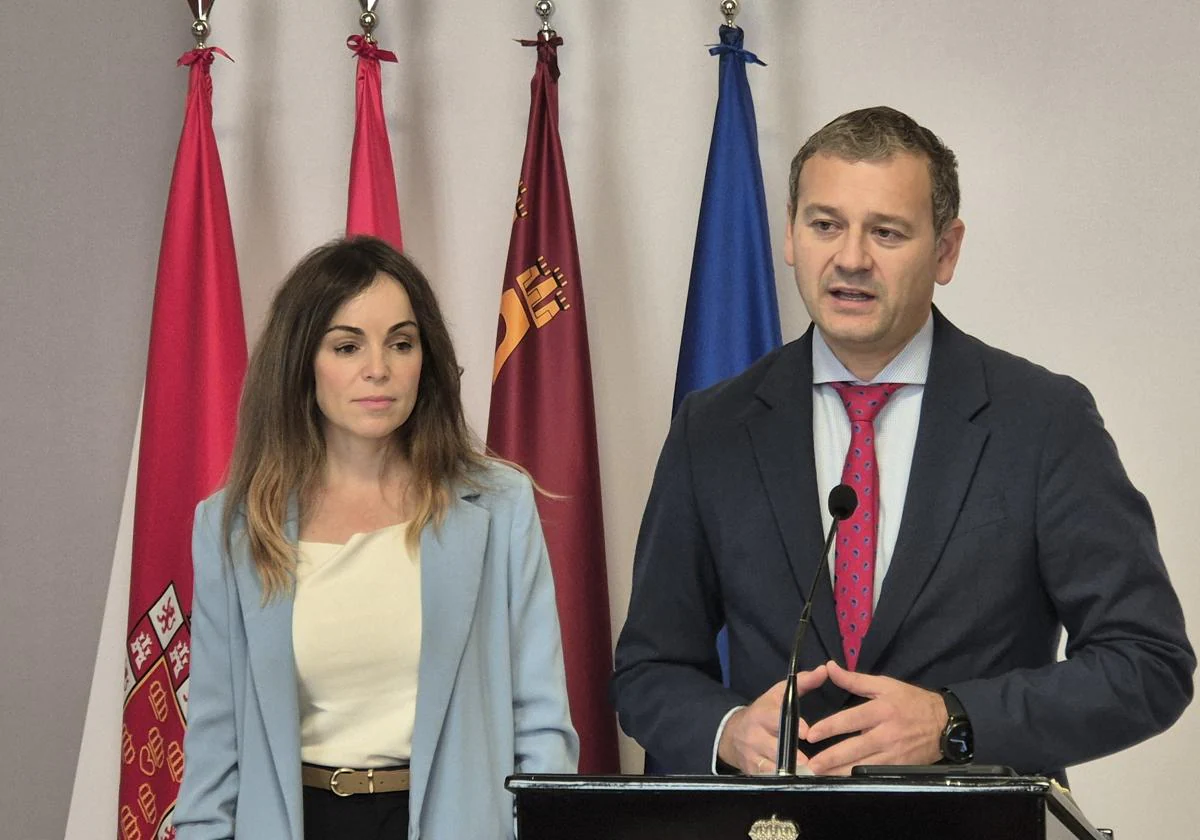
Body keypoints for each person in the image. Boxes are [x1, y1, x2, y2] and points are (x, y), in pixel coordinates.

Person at [611, 106, 1193, 781]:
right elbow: (649, 669)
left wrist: (955, 722)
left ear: (945, 251)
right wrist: (730, 730)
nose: (851, 258)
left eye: (886, 233)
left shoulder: (1042, 421)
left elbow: (1148, 662)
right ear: (791, 235)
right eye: (824, 224)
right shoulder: (711, 429)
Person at [174, 236, 578, 840]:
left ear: (426, 359)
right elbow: (214, 744)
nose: (378, 369)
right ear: (301, 362)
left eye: (401, 343)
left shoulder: (499, 506)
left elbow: (541, 725)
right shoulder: (231, 527)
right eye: (346, 345)